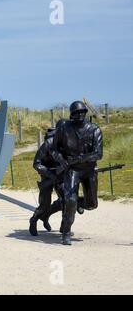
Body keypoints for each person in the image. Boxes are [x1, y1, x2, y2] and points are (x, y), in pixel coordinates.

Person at [52, 101, 103, 245]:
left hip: (89, 170)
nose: (80, 115)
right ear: (71, 114)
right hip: (72, 170)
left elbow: (98, 154)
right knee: (70, 200)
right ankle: (66, 232)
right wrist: (62, 160)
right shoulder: (64, 128)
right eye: (76, 113)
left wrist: (80, 158)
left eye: (82, 112)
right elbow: (54, 148)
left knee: (92, 204)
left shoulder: (94, 129)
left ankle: (77, 202)